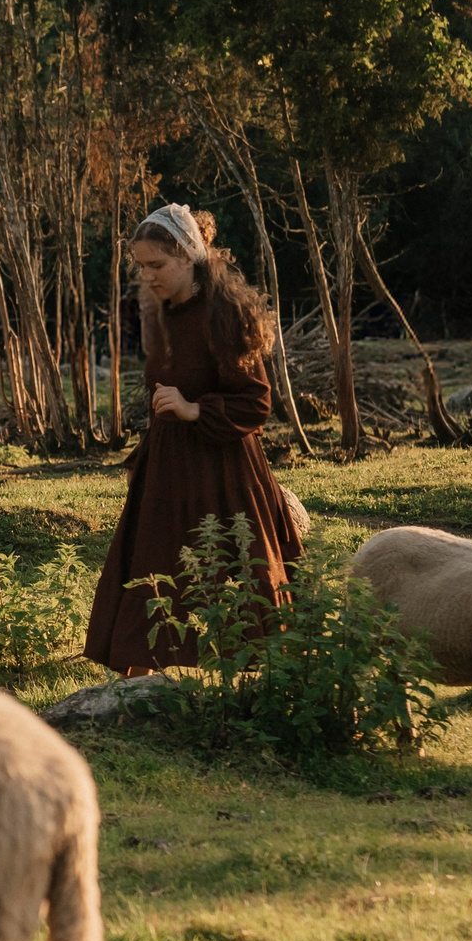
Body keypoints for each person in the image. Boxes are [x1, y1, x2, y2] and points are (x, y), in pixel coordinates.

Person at [82, 203, 303, 675]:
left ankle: (258, 684)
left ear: (187, 256)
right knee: (153, 568)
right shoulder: (161, 313)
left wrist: (194, 408)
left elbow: (257, 401)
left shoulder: (223, 314)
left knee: (241, 574)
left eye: (156, 265)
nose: (147, 276)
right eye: (141, 266)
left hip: (222, 471)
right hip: (166, 469)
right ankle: (139, 685)